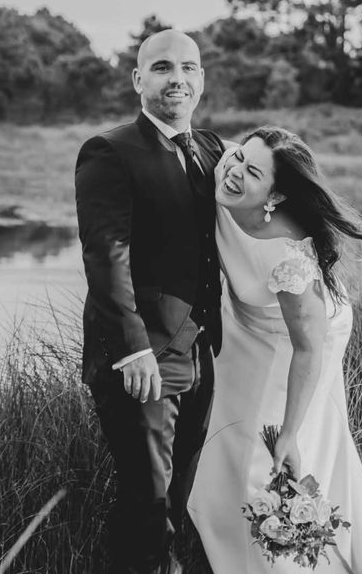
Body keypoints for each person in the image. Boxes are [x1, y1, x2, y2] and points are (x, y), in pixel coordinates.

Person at [188, 127, 362, 573]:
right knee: (224, 442)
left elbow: (308, 348)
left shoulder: (289, 260)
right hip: (247, 323)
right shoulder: (226, 169)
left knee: (267, 451)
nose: (234, 171)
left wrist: (290, 432)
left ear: (274, 196)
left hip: (301, 340)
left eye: (252, 172)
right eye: (239, 157)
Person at [75, 29, 224, 574]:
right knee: (149, 503)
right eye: (162, 68)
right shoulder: (110, 151)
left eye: (188, 68)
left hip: (202, 353)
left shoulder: (213, 150)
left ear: (202, 79)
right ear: (139, 80)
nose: (177, 79)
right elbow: (105, 255)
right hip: (143, 360)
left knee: (177, 499)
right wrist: (133, 349)